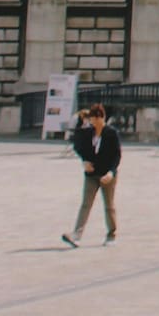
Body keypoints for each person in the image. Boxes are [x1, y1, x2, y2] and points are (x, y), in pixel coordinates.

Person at [62, 104, 121, 248]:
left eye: (94, 120)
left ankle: (111, 235)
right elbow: (78, 145)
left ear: (101, 118)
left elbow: (117, 155)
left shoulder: (111, 133)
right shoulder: (88, 132)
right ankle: (77, 234)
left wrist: (111, 172)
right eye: (91, 120)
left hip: (106, 174)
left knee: (109, 206)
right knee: (85, 204)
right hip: (91, 174)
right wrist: (84, 161)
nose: (92, 123)